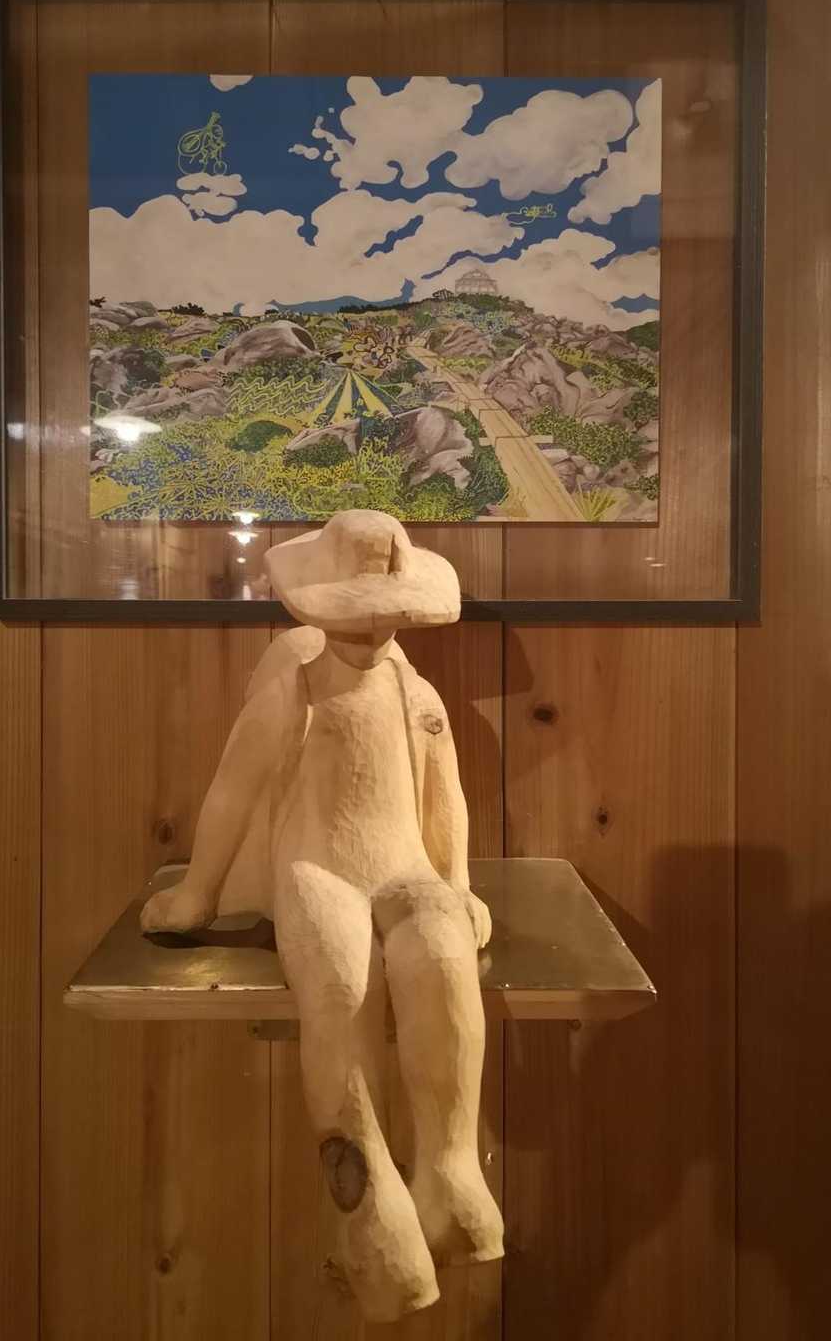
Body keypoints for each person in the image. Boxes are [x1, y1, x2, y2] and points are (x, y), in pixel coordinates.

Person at [140, 510, 503, 1321]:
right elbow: (233, 791)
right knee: (339, 992)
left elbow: (444, 796)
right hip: (318, 874)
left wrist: (456, 883)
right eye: (355, 612)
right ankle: (369, 1201)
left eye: (383, 612)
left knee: (443, 959)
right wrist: (198, 894)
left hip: (406, 870)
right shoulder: (294, 688)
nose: (370, 628)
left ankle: (451, 1172)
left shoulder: (415, 691)